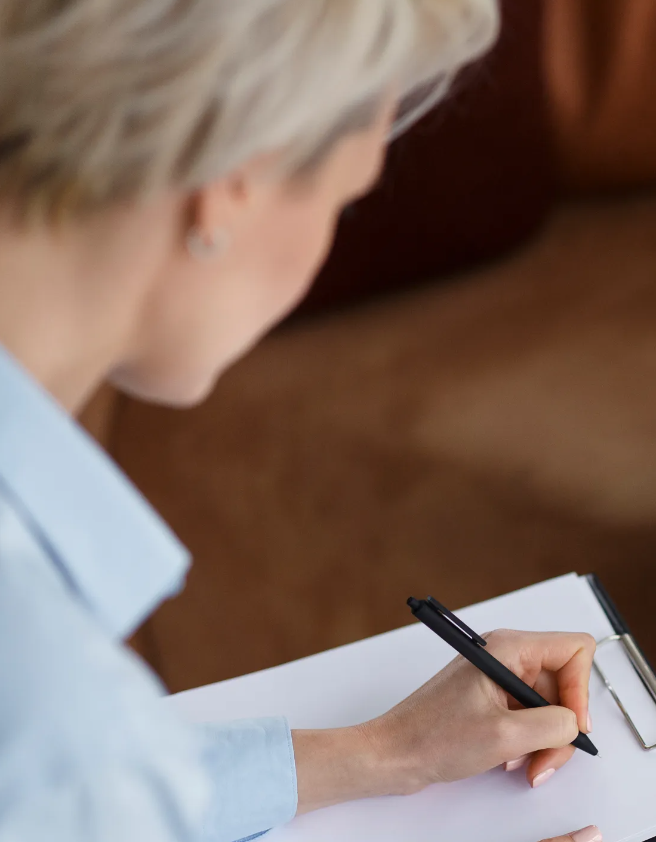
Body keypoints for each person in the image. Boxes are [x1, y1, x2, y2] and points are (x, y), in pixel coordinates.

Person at [0, 2, 600, 841]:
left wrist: (386, 752)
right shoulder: (55, 713)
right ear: (235, 182)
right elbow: (74, 777)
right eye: (344, 199)